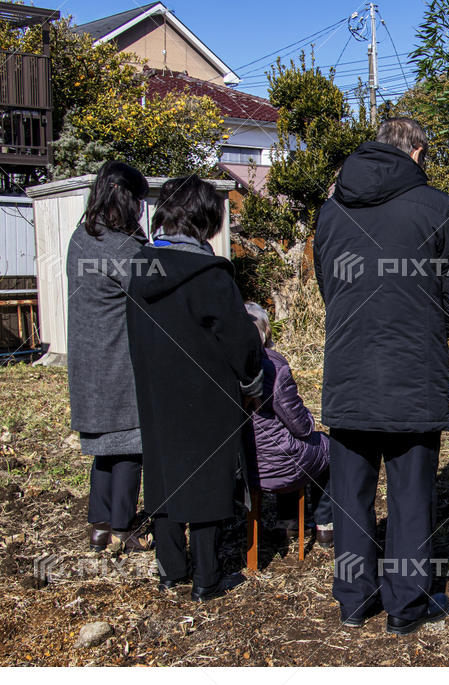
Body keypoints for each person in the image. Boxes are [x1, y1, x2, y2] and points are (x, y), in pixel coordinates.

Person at [314, 117, 449, 635]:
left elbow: (328, 283)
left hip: (350, 365)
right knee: (410, 494)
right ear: (416, 152)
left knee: (350, 491)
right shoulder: (434, 206)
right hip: (411, 367)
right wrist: (431, 327)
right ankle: (407, 605)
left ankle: (353, 600)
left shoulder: (332, 209)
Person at [126, 176, 262, 602]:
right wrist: (252, 380)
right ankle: (207, 579)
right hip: (207, 392)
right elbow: (240, 340)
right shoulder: (210, 274)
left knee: (164, 473)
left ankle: (170, 571)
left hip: (154, 390)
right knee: (206, 480)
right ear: (208, 220)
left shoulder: (140, 268)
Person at [66, 161, 152, 552]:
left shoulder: (81, 238)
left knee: (103, 447)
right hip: (121, 359)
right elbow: (152, 294)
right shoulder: (125, 247)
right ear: (128, 199)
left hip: (87, 359)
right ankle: (122, 527)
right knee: (131, 446)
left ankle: (99, 526)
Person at [243, 302, 334, 547]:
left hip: (242, 466)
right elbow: (300, 426)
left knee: (289, 444)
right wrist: (311, 420)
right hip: (279, 464)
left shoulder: (222, 366)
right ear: (265, 332)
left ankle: (287, 521)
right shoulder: (274, 365)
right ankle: (325, 524)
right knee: (326, 447)